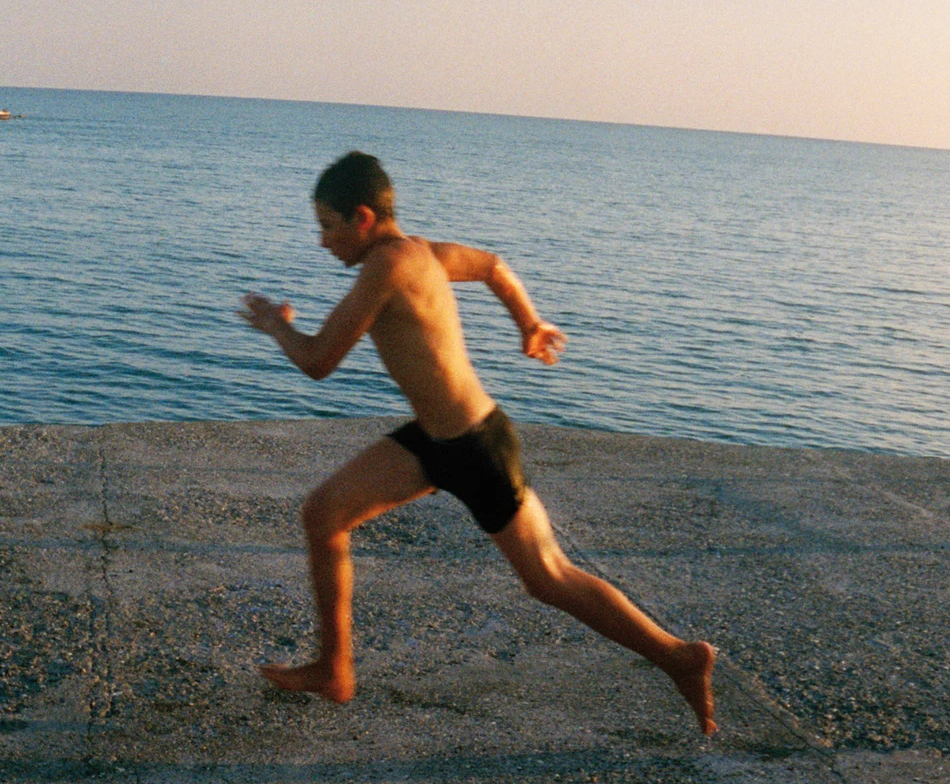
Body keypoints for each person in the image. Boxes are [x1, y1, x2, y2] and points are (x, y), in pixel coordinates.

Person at [238, 150, 718, 734]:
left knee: (550, 578)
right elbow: (493, 266)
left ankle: (679, 656)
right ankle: (335, 669)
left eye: (329, 226)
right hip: (432, 441)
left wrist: (275, 325)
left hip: (477, 447)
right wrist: (529, 324)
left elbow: (318, 362)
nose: (323, 242)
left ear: (363, 218)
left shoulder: (386, 267)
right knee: (324, 513)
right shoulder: (424, 253)